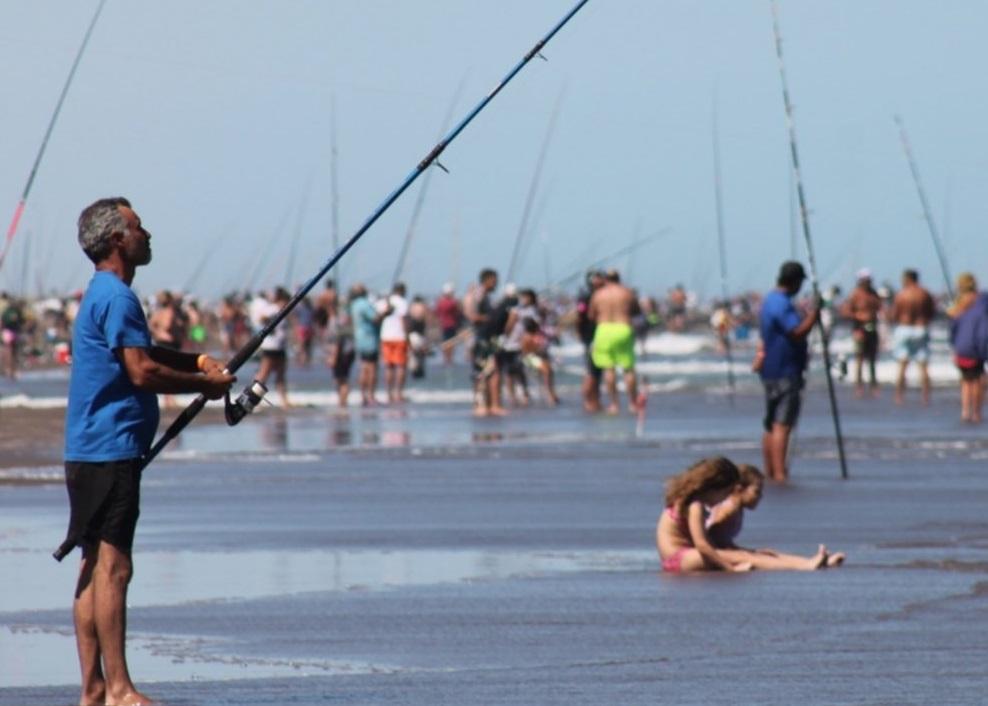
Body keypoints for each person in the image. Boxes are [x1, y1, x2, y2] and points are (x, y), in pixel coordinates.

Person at [61, 197, 234, 706]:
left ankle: (93, 689)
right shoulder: (116, 296)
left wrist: (199, 361)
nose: (147, 234)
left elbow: (144, 353)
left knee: (94, 565)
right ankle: (118, 690)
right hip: (109, 447)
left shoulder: (103, 293)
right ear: (117, 239)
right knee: (114, 568)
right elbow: (141, 372)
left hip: (89, 447)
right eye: (138, 227)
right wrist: (205, 386)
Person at [707, 464, 842, 569]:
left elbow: (722, 538)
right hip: (714, 552)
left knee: (768, 553)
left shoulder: (737, 507)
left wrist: (741, 549)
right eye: (756, 492)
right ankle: (805, 566)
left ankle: (814, 561)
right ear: (739, 489)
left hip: (724, 548)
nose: (760, 497)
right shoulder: (729, 507)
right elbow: (709, 531)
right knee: (753, 557)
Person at [756, 261, 818, 483]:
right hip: (786, 369)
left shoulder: (769, 300)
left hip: (770, 370)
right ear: (795, 281)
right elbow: (796, 332)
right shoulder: (782, 304)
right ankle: (780, 473)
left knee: (770, 422)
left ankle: (770, 470)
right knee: (782, 424)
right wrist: (814, 315)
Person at [655, 457, 753, 573]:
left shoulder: (682, 498)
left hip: (674, 559)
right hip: (681, 558)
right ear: (713, 487)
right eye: (726, 492)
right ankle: (777, 564)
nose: (725, 498)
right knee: (737, 557)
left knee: (734, 554)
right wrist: (730, 569)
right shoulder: (696, 506)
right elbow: (702, 545)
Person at [588, 269, 639, 415]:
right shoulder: (627, 292)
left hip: (604, 329)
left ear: (605, 279)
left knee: (608, 368)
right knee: (628, 368)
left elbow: (591, 315)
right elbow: (636, 311)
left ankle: (614, 404)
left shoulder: (598, 294)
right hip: (623, 327)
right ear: (619, 278)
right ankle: (633, 404)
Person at [889, 268, 935, 405]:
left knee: (902, 365)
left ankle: (899, 396)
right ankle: (925, 397)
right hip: (921, 329)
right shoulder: (925, 294)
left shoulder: (901, 295)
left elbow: (895, 314)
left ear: (908, 279)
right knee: (923, 366)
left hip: (904, 329)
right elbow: (931, 312)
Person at [465, 268, 507, 416]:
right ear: (487, 280)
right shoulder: (477, 294)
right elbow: (471, 315)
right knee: (482, 373)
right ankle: (481, 405)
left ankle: (493, 404)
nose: (496, 283)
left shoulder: (488, 296)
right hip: (480, 339)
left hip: (490, 338)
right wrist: (489, 318)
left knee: (492, 372)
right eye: (494, 280)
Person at [947, 273, 988, 423]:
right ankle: (976, 412)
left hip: (961, 347)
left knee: (965, 380)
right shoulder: (982, 302)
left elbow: (952, 329)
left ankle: (965, 411)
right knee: (977, 380)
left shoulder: (957, 306)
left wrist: (953, 344)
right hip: (975, 346)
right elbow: (983, 330)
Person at [840, 268, 883, 397]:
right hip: (859, 329)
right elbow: (845, 311)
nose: (868, 282)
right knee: (859, 358)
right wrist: (858, 316)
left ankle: (873, 385)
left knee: (872, 359)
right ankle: (858, 386)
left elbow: (880, 308)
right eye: (865, 280)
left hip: (872, 328)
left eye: (869, 280)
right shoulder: (855, 294)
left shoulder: (874, 294)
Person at [252, 287, 292, 407]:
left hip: (281, 347)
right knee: (263, 375)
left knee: (281, 376)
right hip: (271, 347)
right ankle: (253, 399)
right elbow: (261, 318)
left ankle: (284, 400)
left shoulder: (283, 309)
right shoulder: (273, 309)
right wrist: (273, 316)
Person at [350, 283, 389, 406]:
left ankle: (363, 396)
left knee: (364, 368)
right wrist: (386, 313)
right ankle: (371, 396)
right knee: (371, 368)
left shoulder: (354, 305)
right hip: (369, 339)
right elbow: (375, 319)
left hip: (359, 339)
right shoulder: (364, 304)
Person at [576, 271, 604, 412]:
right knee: (592, 370)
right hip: (590, 336)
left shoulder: (599, 295)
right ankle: (589, 401)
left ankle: (595, 399)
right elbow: (580, 316)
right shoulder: (586, 297)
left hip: (599, 336)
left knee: (598, 371)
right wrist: (582, 335)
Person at [379, 282, 410, 403]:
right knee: (401, 366)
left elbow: (379, 317)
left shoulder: (386, 302)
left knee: (389, 366)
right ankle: (399, 393)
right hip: (399, 336)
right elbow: (403, 320)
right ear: (402, 291)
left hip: (385, 336)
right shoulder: (402, 302)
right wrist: (407, 337)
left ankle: (389, 394)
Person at [434, 282, 462, 365]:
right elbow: (458, 312)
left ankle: (446, 359)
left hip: (443, 325)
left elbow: (436, 312)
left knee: (446, 342)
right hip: (451, 325)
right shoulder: (452, 302)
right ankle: (449, 359)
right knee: (451, 342)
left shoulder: (440, 302)